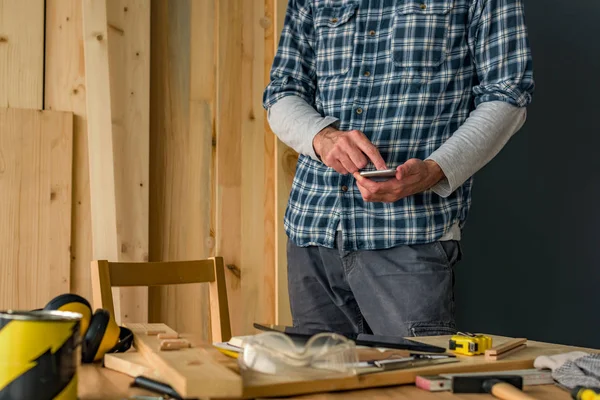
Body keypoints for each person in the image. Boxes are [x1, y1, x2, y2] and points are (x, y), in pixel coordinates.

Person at [263, 0, 534, 337]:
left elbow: (508, 95)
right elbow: (282, 91)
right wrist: (322, 136)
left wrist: (436, 169)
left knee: (416, 385)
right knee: (322, 387)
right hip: (313, 232)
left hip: (410, 235)